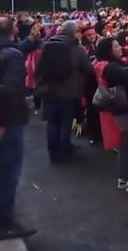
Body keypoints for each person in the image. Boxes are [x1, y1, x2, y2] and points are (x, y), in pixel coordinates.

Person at [0, 17, 38, 240]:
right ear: (12, 29)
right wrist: (1, 123)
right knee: (8, 173)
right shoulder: (12, 56)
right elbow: (8, 91)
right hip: (6, 123)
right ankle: (5, 223)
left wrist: (32, 39)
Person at [35, 21, 95, 163]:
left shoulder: (46, 46)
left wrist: (41, 85)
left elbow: (38, 69)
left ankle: (53, 152)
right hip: (69, 92)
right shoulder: (77, 48)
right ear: (73, 32)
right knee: (65, 122)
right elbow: (88, 70)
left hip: (48, 91)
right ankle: (64, 151)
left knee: (52, 122)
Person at [94, 38, 128, 192]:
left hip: (119, 108)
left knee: (126, 144)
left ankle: (125, 177)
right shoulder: (109, 67)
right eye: (115, 46)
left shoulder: (110, 64)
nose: (119, 48)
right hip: (120, 108)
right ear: (108, 50)